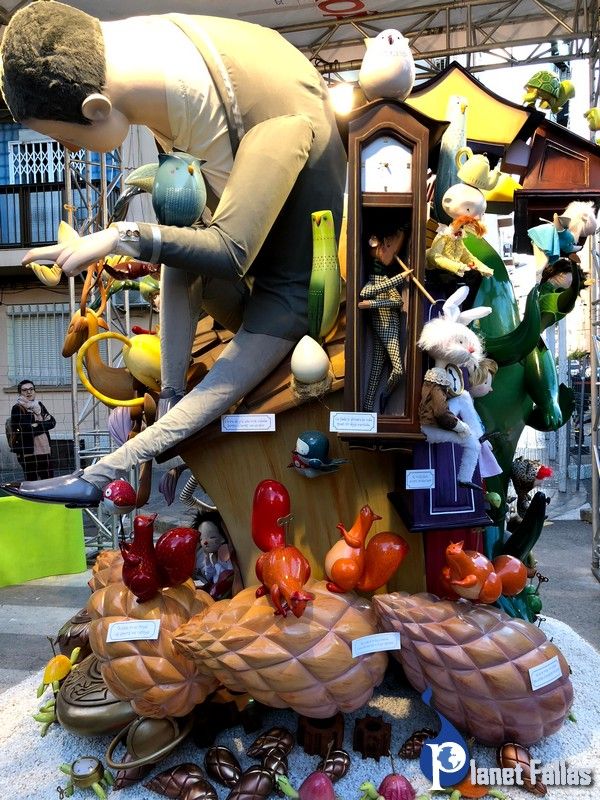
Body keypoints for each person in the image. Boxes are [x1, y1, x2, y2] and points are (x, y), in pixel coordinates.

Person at [0, 2, 346, 507]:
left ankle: (102, 474)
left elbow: (230, 250)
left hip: (288, 298)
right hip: (230, 273)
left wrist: (120, 236)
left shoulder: (269, 104)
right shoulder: (166, 79)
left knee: (215, 389)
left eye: (65, 139)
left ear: (96, 108)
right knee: (178, 251)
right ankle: (168, 397)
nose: (70, 152)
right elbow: (188, 238)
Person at [10, 380, 56, 481]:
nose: (29, 392)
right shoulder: (17, 408)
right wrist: (43, 424)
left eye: (31, 389)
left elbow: (52, 422)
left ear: (34, 391)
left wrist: (36, 425)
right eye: (25, 390)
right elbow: (24, 429)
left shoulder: (39, 405)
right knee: (32, 482)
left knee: (48, 480)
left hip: (45, 449)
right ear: (20, 392)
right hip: (28, 452)